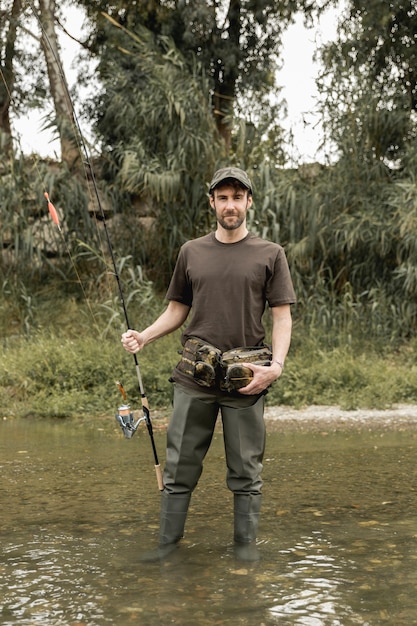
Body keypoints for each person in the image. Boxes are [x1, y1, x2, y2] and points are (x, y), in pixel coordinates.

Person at [121, 166, 296, 561]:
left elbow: (282, 317)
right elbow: (177, 309)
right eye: (223, 197)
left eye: (237, 197)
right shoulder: (191, 252)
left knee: (247, 474)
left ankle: (245, 553)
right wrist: (144, 336)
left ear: (249, 201)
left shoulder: (271, 254)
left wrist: (277, 366)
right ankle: (167, 548)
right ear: (212, 202)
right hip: (192, 379)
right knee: (178, 468)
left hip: (247, 380)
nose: (230, 205)